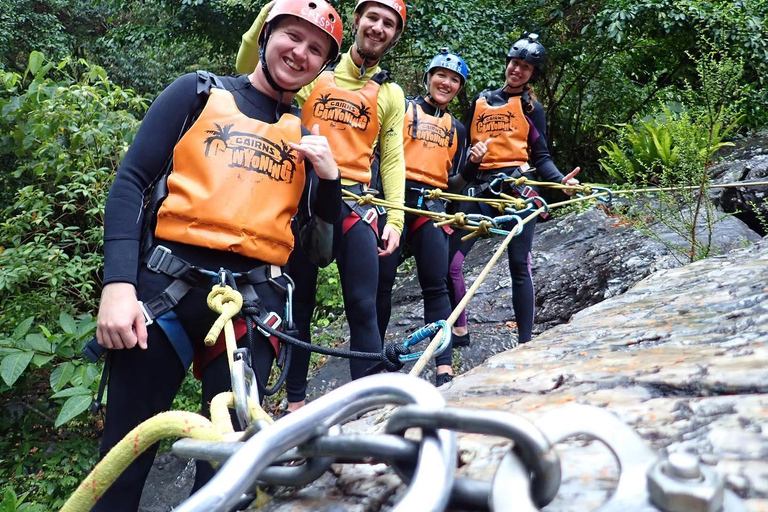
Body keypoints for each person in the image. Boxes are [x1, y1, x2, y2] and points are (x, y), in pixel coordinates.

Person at [92, 1, 343, 509]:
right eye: (292, 37)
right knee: (124, 454)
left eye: (316, 49)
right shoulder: (198, 92)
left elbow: (320, 238)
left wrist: (330, 178)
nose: (300, 52)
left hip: (251, 303)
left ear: (322, 66)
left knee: (228, 467)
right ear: (267, 34)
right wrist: (117, 285)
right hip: (163, 290)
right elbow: (131, 184)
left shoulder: (309, 139)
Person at [236, 0, 407, 412]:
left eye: (389, 24)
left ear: (395, 36)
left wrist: (396, 218)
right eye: (373, 18)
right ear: (357, 21)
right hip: (302, 201)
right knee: (300, 306)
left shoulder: (389, 93)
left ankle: (367, 410)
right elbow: (248, 67)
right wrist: (272, 9)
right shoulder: (316, 75)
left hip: (356, 206)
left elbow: (394, 155)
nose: (379, 28)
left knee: (364, 308)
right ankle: (296, 404)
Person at [447, 33, 580, 347]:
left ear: (532, 74)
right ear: (507, 63)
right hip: (481, 188)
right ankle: (459, 331)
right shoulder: (480, 101)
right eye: (514, 64)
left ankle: (524, 343)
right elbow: (463, 150)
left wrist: (562, 181)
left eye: (525, 68)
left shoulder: (532, 108)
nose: (517, 71)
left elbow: (542, 157)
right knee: (450, 263)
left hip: (518, 188)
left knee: (519, 265)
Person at [376, 49, 488, 386]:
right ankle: (375, 356)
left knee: (436, 285)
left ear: (459, 88)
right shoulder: (405, 109)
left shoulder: (457, 129)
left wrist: (471, 164)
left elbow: (455, 183)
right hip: (396, 200)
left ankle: (443, 364)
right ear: (429, 77)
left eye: (454, 80)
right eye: (441, 75)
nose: (447, 83)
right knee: (382, 282)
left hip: (431, 206)